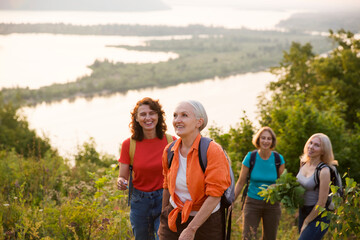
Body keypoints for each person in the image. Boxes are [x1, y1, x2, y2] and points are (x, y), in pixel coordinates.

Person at [158, 100, 231, 240]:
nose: (177, 120)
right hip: (174, 216)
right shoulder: (169, 151)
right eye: (175, 115)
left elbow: (215, 195)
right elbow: (166, 187)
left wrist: (191, 229)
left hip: (207, 223)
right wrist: (164, 217)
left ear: (199, 122)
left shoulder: (212, 150)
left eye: (184, 115)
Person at [117, 97, 175, 240]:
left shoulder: (172, 141)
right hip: (140, 203)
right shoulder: (128, 145)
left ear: (158, 116)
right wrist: (121, 182)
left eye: (152, 113)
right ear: (136, 119)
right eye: (143, 114)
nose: (148, 118)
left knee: (163, 237)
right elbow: (123, 176)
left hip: (165, 199)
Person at [233, 126, 285, 240]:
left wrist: (276, 186)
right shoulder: (250, 157)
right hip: (252, 202)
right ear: (258, 140)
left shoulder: (278, 159)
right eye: (263, 138)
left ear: (272, 141)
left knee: (270, 237)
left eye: (269, 139)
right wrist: (231, 201)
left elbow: (283, 183)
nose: (266, 141)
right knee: (248, 237)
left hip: (272, 204)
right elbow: (241, 182)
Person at [296, 133, 337, 240]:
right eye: (310, 143)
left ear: (323, 151)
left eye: (317, 145)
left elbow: (322, 203)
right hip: (303, 211)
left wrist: (307, 220)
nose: (311, 147)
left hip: (319, 215)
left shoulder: (324, 171)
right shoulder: (303, 163)